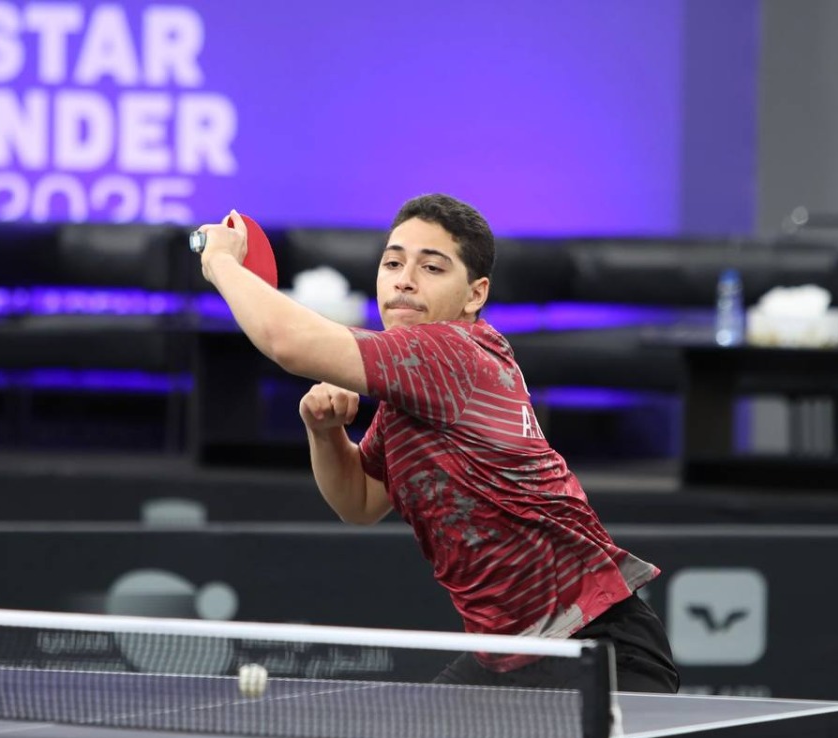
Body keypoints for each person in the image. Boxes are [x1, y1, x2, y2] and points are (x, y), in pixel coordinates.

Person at [194, 194, 678, 693]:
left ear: (474, 295)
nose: (404, 279)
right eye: (393, 262)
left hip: (597, 647)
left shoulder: (450, 354)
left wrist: (221, 260)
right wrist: (325, 433)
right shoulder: (409, 396)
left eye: (431, 267)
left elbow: (287, 341)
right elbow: (360, 501)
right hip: (512, 651)